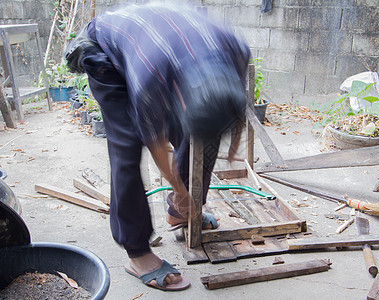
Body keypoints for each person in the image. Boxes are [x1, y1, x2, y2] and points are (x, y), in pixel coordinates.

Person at [64, 2, 250, 292]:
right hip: (105, 49)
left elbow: (232, 117)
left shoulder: (236, 50)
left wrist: (190, 195)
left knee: (204, 136)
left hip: (162, 42)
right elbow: (156, 144)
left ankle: (181, 213)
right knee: (126, 145)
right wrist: (179, 190)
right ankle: (136, 252)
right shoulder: (151, 77)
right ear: (179, 96)